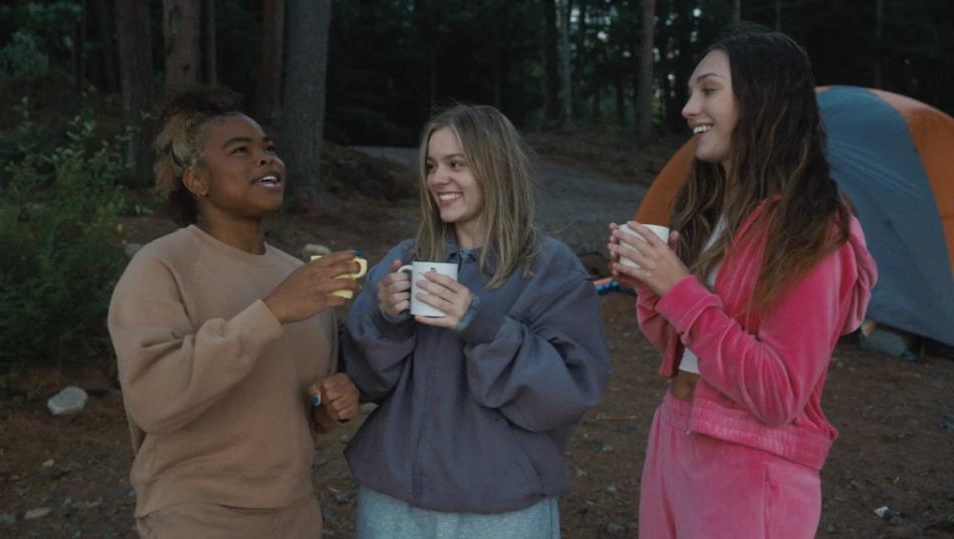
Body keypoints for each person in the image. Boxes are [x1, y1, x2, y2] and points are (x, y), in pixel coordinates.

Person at [607, 31, 878, 538]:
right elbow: (683, 345)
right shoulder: (719, 212)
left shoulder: (813, 230)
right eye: (691, 92)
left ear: (762, 99)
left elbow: (778, 393)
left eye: (708, 91)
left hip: (749, 467)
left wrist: (680, 288)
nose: (689, 108)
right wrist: (650, 281)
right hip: (674, 438)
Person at [342, 104, 611, 538]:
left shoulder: (548, 268)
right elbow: (361, 380)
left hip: (500, 507)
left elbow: (568, 392)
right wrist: (386, 320)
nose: (437, 179)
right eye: (431, 166)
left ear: (497, 168)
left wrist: (481, 324)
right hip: (393, 502)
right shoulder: (404, 260)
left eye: (456, 164)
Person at [107, 87, 361, 538]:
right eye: (240, 150)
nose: (265, 159)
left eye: (269, 149)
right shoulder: (161, 265)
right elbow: (154, 400)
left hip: (296, 513)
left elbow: (299, 411)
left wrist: (330, 402)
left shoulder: (296, 275)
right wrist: (272, 312)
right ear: (197, 180)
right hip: (196, 515)